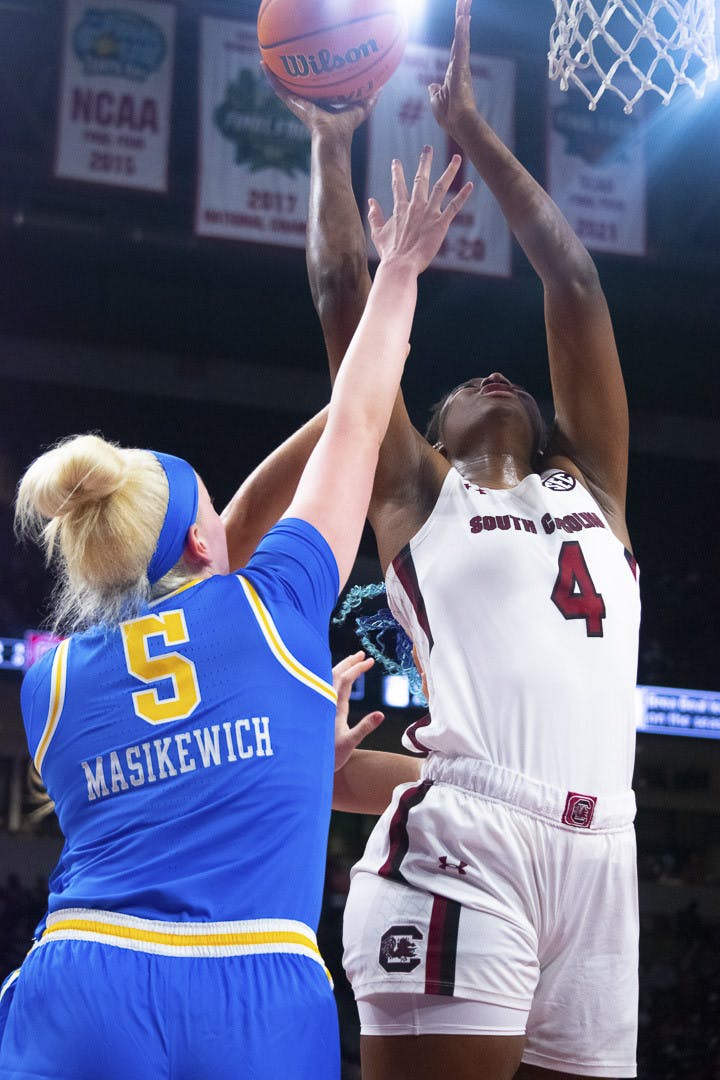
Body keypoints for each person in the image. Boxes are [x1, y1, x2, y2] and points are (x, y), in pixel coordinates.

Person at [0, 148, 472, 1080]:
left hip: (85, 976)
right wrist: (404, 268)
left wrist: (295, 750)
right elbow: (360, 421)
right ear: (203, 545)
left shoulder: (46, 683)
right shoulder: (278, 598)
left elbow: (170, 778)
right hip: (251, 980)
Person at [269, 2, 641, 1077]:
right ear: (429, 432)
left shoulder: (597, 486)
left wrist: (472, 127)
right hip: (466, 848)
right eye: (466, 384)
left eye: (511, 380)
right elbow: (345, 289)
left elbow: (573, 281)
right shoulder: (418, 495)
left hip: (604, 855)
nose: (495, 376)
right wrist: (331, 145)